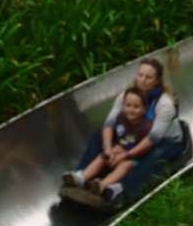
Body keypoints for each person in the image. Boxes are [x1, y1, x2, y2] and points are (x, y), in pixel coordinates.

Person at [61, 57, 186, 205]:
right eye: (140, 75)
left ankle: (121, 188)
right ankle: (81, 176)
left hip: (166, 141)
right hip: (134, 136)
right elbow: (110, 123)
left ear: (157, 80)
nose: (143, 80)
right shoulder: (127, 95)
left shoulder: (165, 104)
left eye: (148, 77)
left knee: (153, 155)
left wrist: (126, 155)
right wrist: (108, 149)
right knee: (99, 134)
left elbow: (153, 139)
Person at [70, 87, 151, 202]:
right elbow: (118, 139)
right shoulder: (121, 118)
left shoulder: (146, 127)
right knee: (103, 156)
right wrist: (112, 151)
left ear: (144, 109)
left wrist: (123, 154)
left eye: (136, 107)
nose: (131, 110)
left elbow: (145, 149)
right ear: (123, 106)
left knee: (125, 165)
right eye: (128, 105)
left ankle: (101, 185)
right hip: (118, 153)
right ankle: (82, 177)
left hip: (134, 159)